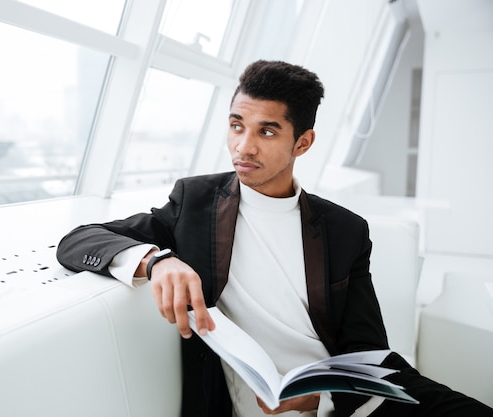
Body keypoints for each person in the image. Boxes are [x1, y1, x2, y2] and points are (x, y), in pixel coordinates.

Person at [56, 60, 493, 417]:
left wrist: (320, 399)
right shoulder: (197, 202)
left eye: (266, 131)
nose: (243, 147)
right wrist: (156, 260)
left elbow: (368, 351)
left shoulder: (344, 230)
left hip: (339, 398)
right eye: (236, 125)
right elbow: (79, 241)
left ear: (302, 143)